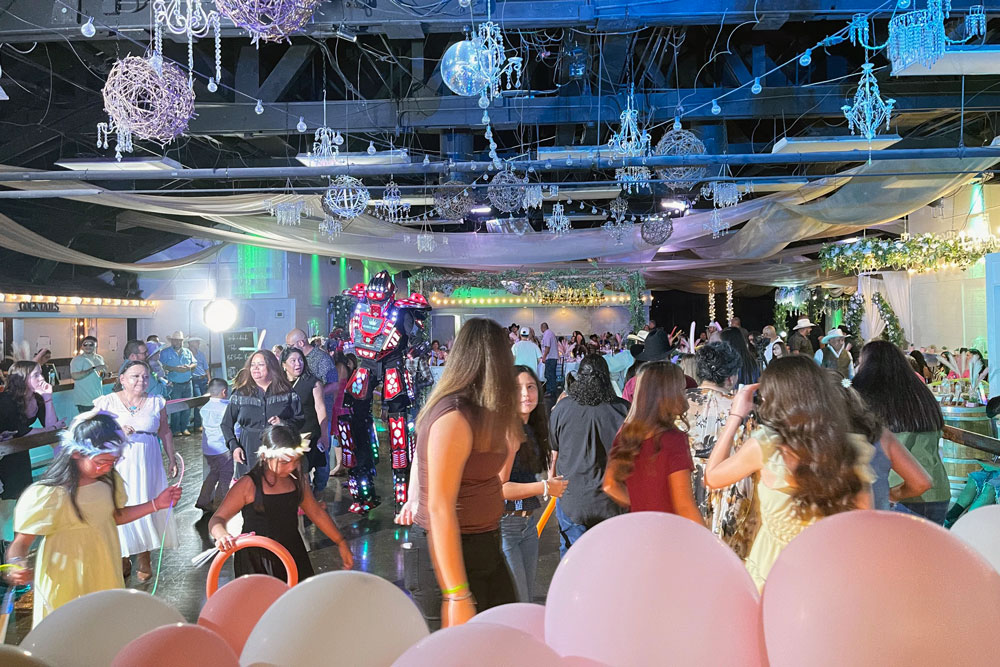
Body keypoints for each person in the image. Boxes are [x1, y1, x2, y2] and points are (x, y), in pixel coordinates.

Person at [704, 356, 874, 590]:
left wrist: (736, 416)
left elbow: (712, 477)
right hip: (828, 572)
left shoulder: (767, 447)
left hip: (773, 570)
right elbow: (864, 521)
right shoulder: (848, 449)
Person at [4, 412, 181, 627]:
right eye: (101, 461)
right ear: (77, 453)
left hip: (104, 568)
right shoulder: (49, 494)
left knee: (103, 628)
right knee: (68, 632)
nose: (107, 467)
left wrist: (156, 504)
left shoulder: (109, 482)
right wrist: (16, 565)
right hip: (65, 578)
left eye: (113, 461)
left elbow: (116, 516)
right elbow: (20, 544)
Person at [407, 318, 521, 627]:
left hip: (484, 543)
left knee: (503, 641)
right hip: (449, 551)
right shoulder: (454, 415)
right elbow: (440, 508)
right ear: (493, 359)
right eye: (506, 353)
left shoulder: (483, 410)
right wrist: (456, 593)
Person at [209, 424, 353, 581]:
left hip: (291, 551)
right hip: (257, 558)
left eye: (296, 461)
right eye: (284, 462)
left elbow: (316, 513)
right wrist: (222, 535)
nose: (291, 467)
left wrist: (340, 541)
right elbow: (217, 519)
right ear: (265, 457)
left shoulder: (297, 482)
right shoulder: (248, 485)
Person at [93, 360, 179, 582]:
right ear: (122, 379)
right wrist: (114, 430)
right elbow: (90, 431)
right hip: (118, 462)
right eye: (135, 376)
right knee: (120, 504)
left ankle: (144, 557)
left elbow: (166, 431)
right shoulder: (107, 403)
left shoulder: (156, 402)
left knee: (145, 503)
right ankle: (122, 554)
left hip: (147, 460)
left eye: (145, 377)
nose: (141, 381)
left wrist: (171, 458)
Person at [852, 341, 949, 523]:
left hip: (899, 491)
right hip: (938, 492)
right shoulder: (921, 394)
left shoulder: (867, 398)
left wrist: (892, 495)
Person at [500, 366, 568, 603]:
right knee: (517, 602)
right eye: (518, 389)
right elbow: (500, 488)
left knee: (525, 599)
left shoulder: (532, 427)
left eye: (530, 387)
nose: (525, 394)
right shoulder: (510, 431)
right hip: (506, 525)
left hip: (526, 525)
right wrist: (545, 487)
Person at [549, 354, 629, 556]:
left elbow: (554, 452)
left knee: (573, 560)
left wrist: (551, 482)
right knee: (608, 562)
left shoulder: (562, 409)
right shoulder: (622, 409)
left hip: (571, 499)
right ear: (606, 378)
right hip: (610, 502)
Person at [603, 362, 702, 523]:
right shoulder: (673, 440)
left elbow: (609, 485)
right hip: (669, 530)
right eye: (681, 390)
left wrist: (641, 505)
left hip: (640, 528)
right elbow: (685, 506)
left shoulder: (626, 435)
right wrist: (708, 543)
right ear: (670, 395)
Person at [684, 342, 758, 558]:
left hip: (686, 490)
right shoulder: (743, 409)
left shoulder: (679, 403)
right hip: (729, 493)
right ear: (731, 377)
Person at [839, 381, 932, 511]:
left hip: (833, 527)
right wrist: (890, 495)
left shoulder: (815, 443)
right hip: (879, 523)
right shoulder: (881, 435)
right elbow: (921, 483)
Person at [221, 351, 304, 479]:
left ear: (271, 367)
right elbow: (226, 424)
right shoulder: (240, 393)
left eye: (260, 364)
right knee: (252, 493)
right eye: (253, 365)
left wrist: (283, 423)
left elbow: (300, 419)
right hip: (248, 451)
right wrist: (234, 446)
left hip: (278, 451)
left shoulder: (287, 392)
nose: (255, 368)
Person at [0, 362, 63, 508]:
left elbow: (51, 430)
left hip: (18, 450)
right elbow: (22, 431)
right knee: (7, 503)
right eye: (36, 375)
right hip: (4, 453)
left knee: (22, 495)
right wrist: (51, 428)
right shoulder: (6, 400)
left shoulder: (37, 398)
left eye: (41, 373)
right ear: (22, 379)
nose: (41, 378)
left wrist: (48, 398)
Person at [281, 347, 328, 495]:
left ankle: (311, 497)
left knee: (307, 468)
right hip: (287, 434)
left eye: (300, 360)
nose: (298, 363)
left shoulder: (313, 382)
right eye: (293, 360)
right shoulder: (279, 383)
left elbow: (320, 408)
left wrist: (324, 434)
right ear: (284, 365)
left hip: (308, 432)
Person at [196, 378, 232, 513]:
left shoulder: (204, 408)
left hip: (208, 449)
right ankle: (219, 506)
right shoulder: (226, 407)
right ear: (224, 392)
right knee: (225, 476)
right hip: (223, 448)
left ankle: (203, 500)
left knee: (213, 474)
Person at [158, 331, 197, 437]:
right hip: (174, 384)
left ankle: (184, 427)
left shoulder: (187, 352)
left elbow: (194, 363)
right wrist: (174, 369)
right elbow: (161, 366)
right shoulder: (165, 353)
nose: (178, 342)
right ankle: (175, 429)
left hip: (187, 383)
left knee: (187, 406)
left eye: (180, 340)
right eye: (176, 340)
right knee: (176, 407)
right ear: (172, 341)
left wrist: (189, 367)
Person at [70, 336, 107, 413]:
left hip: (98, 399)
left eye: (91, 344)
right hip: (85, 401)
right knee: (88, 424)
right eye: (85, 344)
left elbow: (100, 376)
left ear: (96, 345)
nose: (88, 346)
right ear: (82, 346)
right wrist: (93, 369)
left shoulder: (99, 358)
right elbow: (75, 376)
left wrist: (105, 375)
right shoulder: (77, 360)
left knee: (98, 424)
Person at [187, 337, 209, 433]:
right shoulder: (187, 354)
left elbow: (206, 367)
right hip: (195, 380)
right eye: (196, 342)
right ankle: (197, 424)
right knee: (198, 402)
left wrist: (209, 379)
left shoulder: (201, 354)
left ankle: (200, 423)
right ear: (191, 343)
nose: (198, 343)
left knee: (203, 402)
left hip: (203, 379)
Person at [540, 322, 559, 400]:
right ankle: (552, 391)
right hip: (553, 357)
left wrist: (544, 357)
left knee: (549, 375)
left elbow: (547, 347)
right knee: (552, 375)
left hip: (550, 357)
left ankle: (550, 391)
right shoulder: (551, 333)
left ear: (543, 328)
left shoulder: (547, 334)